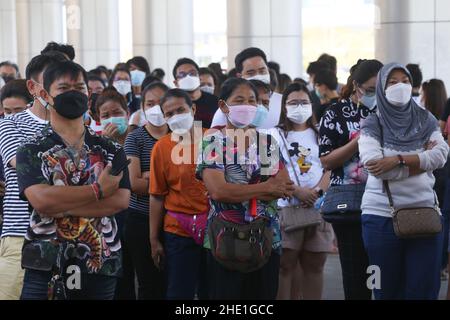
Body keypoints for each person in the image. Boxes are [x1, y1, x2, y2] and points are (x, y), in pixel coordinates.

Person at [16, 60, 130, 300]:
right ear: (46, 95)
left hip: (101, 261)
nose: (73, 94)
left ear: (88, 97)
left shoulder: (110, 148)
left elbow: (120, 200)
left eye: (79, 88)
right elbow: (42, 201)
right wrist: (98, 190)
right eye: (64, 88)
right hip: (44, 261)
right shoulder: (30, 149)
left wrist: (61, 205)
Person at [197, 77, 294, 299]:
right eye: (239, 100)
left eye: (252, 101)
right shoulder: (213, 142)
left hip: (266, 237)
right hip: (224, 238)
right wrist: (266, 187)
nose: (247, 106)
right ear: (223, 106)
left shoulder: (267, 143)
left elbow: (285, 187)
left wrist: (240, 189)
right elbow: (219, 191)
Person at [359, 63, 448, 300]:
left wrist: (398, 159)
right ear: (382, 87)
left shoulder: (425, 118)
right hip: (380, 219)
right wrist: (421, 162)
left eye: (405, 81)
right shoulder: (372, 122)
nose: (401, 86)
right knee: (383, 290)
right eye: (393, 81)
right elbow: (374, 166)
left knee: (424, 290)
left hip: (425, 215)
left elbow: (441, 155)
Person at [0, 52, 66, 300]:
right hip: (20, 234)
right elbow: (23, 164)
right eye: (53, 81)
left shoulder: (82, 127)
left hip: (70, 237)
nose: (61, 90)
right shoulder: (11, 123)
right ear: (33, 86)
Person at [319, 59, 383, 300]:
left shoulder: (390, 110)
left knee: (380, 271)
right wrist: (359, 139)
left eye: (381, 89)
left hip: (386, 202)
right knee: (355, 273)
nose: (376, 95)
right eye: (369, 90)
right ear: (356, 86)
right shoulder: (335, 112)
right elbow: (327, 161)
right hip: (350, 204)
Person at [269, 82, 333, 300]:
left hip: (319, 210)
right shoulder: (273, 135)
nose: (299, 107)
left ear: (312, 105)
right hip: (286, 209)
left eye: (304, 102)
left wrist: (318, 193)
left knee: (315, 265)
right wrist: (297, 191)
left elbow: (331, 167)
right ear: (284, 106)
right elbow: (270, 170)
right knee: (284, 266)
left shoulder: (322, 133)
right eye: (293, 102)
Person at [149, 88, 209, 300]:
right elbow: (156, 195)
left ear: (193, 109)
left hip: (216, 229)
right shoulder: (162, 148)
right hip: (178, 231)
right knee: (179, 292)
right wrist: (154, 239)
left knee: (212, 291)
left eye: (180, 110)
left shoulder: (213, 139)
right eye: (169, 114)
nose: (175, 117)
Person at [123, 83, 169, 299]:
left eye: (161, 103)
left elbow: (193, 183)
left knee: (175, 283)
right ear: (142, 108)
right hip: (141, 218)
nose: (156, 108)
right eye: (150, 104)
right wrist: (170, 180)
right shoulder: (135, 138)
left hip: (176, 220)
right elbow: (135, 184)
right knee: (148, 284)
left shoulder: (185, 135)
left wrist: (150, 176)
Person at [210, 47, 283, 129]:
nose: (258, 76)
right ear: (240, 76)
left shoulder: (283, 102)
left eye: (262, 71)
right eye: (251, 73)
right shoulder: (229, 108)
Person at [173, 58, 219, 129]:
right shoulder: (173, 105)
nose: (188, 77)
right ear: (176, 83)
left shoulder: (215, 102)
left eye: (192, 73)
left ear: (199, 78)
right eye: (182, 75)